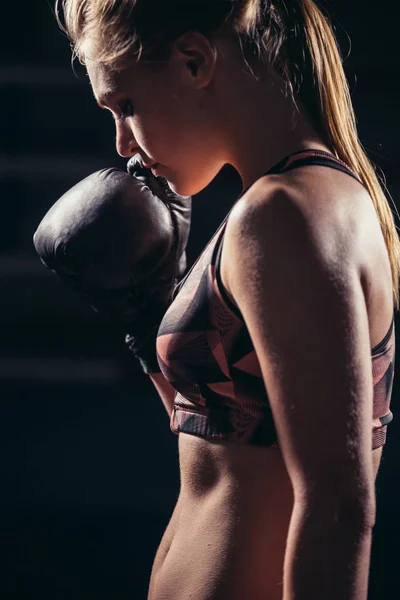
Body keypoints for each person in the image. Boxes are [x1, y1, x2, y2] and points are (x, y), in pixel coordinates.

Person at [43, 1, 398, 598]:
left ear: (193, 61)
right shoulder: (289, 204)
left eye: (125, 105)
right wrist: (145, 312)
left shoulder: (283, 214)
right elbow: (220, 452)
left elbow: (339, 506)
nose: (123, 143)